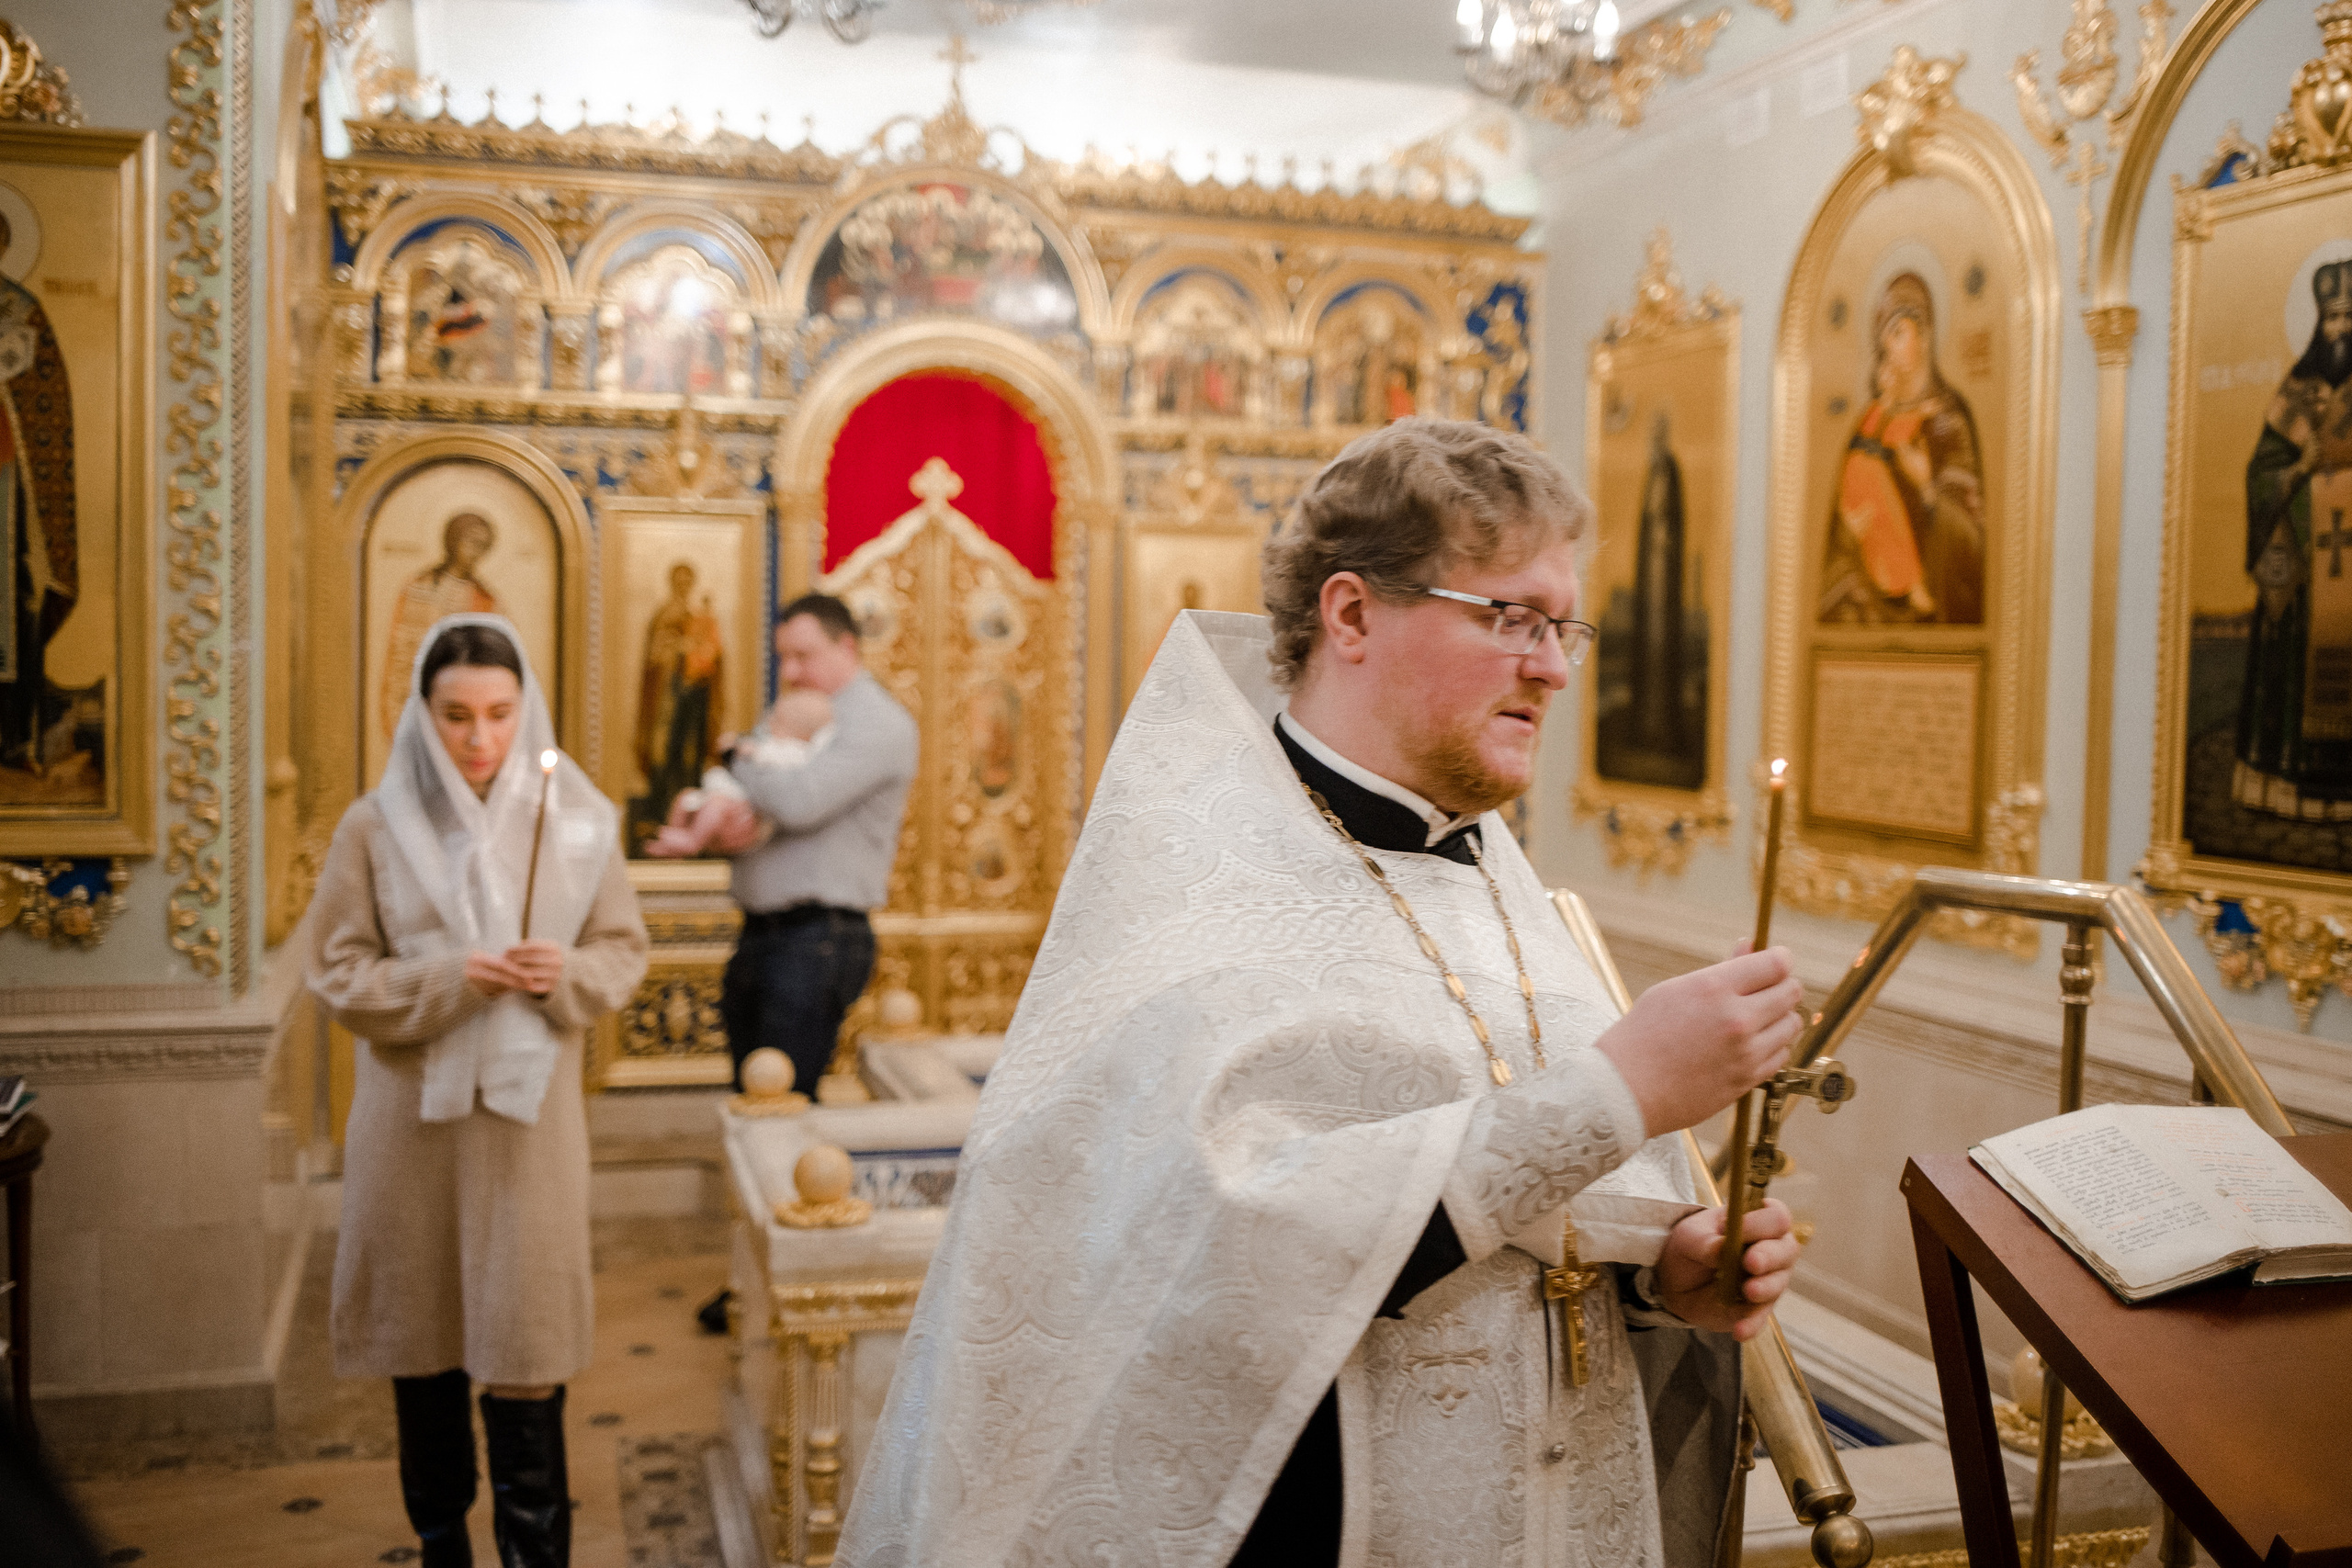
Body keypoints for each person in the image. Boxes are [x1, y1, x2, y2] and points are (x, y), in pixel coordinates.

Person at [842, 420, 1803, 1568]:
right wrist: (1617, 1093)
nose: (1551, 665)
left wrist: (1659, 1275)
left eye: (1564, 628)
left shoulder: (1493, 877)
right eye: (1510, 617)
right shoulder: (1199, 879)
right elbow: (1224, 1246)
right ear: (1350, 615)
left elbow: (1527, 1221)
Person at [309, 615, 649, 1568]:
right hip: (410, 1130)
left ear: (524, 706)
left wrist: (561, 974)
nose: (480, 738)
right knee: (424, 1348)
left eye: (500, 714)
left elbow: (622, 954)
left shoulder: (575, 821)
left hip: (527, 1131)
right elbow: (336, 976)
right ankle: (442, 1545)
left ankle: (535, 1553)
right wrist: (452, 979)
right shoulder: (373, 827)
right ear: (422, 712)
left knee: (525, 1348)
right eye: (456, 715)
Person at [715, 592, 916, 1093]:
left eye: (803, 656)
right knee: (754, 1093)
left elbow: (799, 801)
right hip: (763, 932)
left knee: (783, 1098)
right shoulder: (796, 709)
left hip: (817, 939)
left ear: (846, 647)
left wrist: (733, 757)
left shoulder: (879, 723)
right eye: (784, 657)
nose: (790, 671)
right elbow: (748, 797)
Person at [2237, 258, 2352, 819]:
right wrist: (2297, 470)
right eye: (2332, 318)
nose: (2340, 329)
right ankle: (2285, 780)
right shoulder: (2299, 390)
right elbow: (2260, 471)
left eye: (2350, 317)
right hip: (2304, 558)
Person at [1817, 272, 1984, 626]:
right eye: (1885, 340)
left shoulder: (1949, 422)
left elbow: (1973, 542)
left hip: (1933, 605)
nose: (1891, 349)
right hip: (1866, 594)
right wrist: (1848, 532)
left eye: (1899, 334)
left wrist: (1927, 489)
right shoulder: (1869, 422)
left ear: (1924, 336)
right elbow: (1838, 521)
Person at [643, 686, 834, 858]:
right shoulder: (771, 742)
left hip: (744, 808)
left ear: (798, 731)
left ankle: (693, 841)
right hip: (729, 796)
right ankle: (674, 840)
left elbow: (769, 757)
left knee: (715, 807)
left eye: (777, 719)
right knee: (685, 798)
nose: (769, 722)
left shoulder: (794, 752)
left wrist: (744, 749)